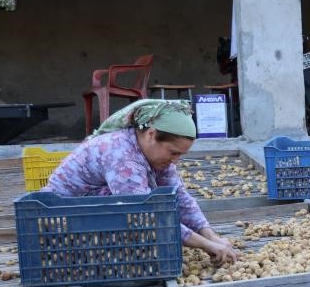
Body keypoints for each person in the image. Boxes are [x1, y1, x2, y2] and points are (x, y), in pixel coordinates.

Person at [44, 99, 239, 264]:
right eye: (173, 152)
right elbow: (143, 215)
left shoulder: (152, 155)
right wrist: (204, 245)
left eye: (181, 154)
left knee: (162, 203)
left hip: (89, 215)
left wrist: (211, 235)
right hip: (63, 224)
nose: (176, 160)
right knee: (140, 213)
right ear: (151, 134)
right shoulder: (121, 155)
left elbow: (180, 197)